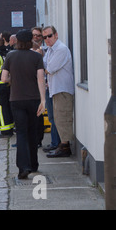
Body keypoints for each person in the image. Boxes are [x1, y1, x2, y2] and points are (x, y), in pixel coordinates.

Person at [1, 29, 46, 179]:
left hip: (16, 99)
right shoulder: (36, 56)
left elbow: (3, 78)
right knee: (32, 132)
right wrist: (43, 100)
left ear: (18, 41)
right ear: (31, 41)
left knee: (21, 133)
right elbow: (41, 79)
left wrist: (13, 80)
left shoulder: (10, 55)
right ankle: (34, 164)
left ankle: (23, 168)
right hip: (33, 99)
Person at [42, 26, 75, 158]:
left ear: (56, 35)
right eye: (45, 37)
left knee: (63, 118)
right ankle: (62, 145)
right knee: (58, 118)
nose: (47, 39)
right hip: (55, 88)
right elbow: (44, 64)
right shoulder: (51, 50)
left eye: (49, 36)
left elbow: (49, 68)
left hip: (62, 89)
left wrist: (43, 69)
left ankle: (65, 146)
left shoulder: (61, 49)